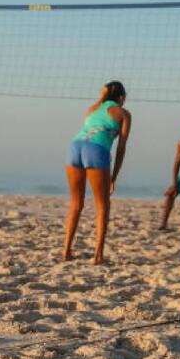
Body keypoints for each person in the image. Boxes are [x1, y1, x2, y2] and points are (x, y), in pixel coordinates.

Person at [63, 81, 131, 265]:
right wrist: (113, 177)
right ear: (122, 98)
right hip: (97, 151)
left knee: (76, 204)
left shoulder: (93, 108)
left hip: (74, 147)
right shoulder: (123, 114)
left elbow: (89, 127)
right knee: (102, 206)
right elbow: (121, 149)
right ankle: (98, 256)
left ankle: (66, 251)